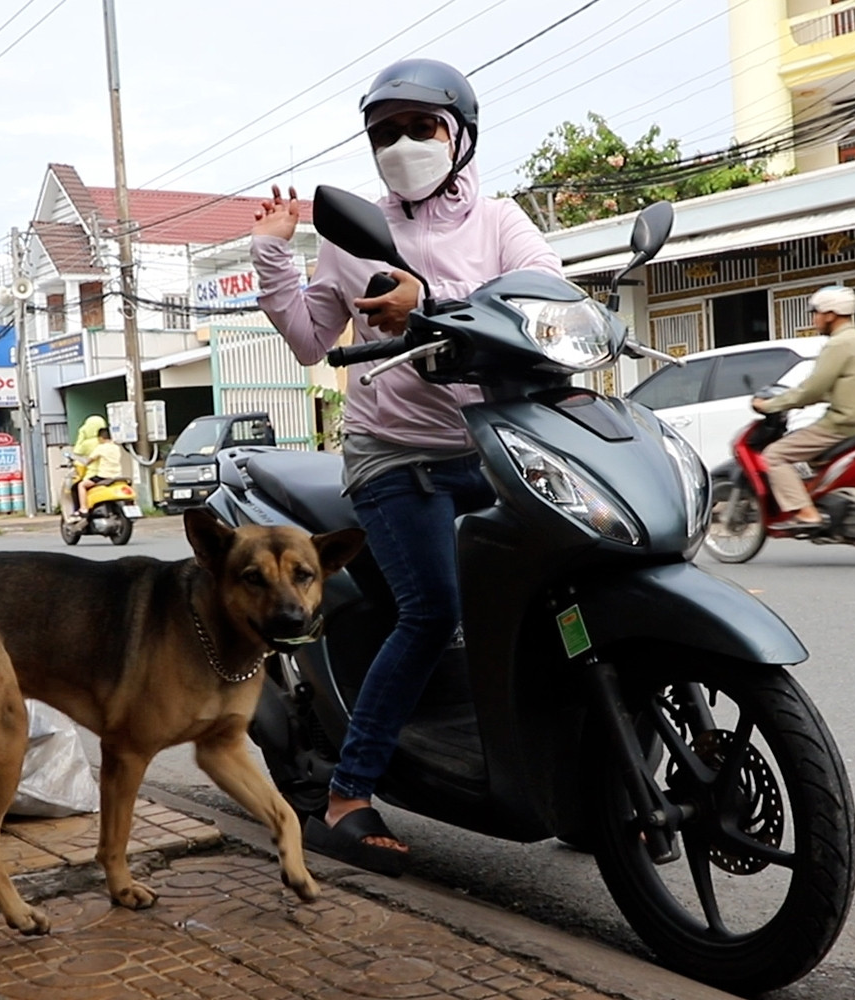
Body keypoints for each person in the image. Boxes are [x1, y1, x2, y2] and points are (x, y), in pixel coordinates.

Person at [250, 57, 563, 873]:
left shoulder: (499, 221)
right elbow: (312, 341)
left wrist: (425, 301)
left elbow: (545, 295)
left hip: (498, 443)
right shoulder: (352, 237)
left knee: (561, 591)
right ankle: (347, 792)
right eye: (385, 133)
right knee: (431, 611)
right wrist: (273, 257)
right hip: (395, 454)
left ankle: (578, 768)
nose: (402, 145)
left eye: (421, 127)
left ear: (460, 134)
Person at [751, 285, 855, 530]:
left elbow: (812, 389)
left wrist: (771, 405)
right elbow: (844, 386)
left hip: (842, 425)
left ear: (830, 314)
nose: (813, 319)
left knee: (774, 455)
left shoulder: (838, 345)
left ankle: (806, 513)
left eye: (815, 313)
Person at [75, 427, 125, 514]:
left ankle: (83, 508)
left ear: (101, 438)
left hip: (104, 476)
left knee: (81, 485)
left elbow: (89, 460)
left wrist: (84, 462)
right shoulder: (116, 447)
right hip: (117, 476)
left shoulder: (101, 447)